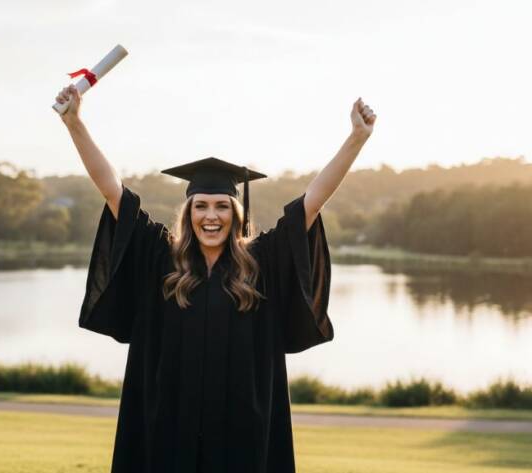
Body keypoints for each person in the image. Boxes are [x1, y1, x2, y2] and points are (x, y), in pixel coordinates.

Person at [56, 84, 375, 473]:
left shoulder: (261, 264)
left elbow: (312, 201)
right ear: (188, 211)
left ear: (236, 213)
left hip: (242, 436)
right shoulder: (161, 259)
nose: (212, 216)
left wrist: (356, 138)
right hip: (168, 432)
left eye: (222, 206)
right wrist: (75, 123)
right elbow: (112, 190)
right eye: (201, 206)